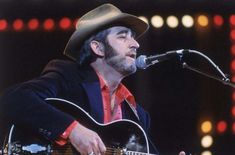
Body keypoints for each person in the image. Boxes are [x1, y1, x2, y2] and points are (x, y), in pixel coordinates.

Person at [0, 3, 185, 155]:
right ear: (98, 48)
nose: (135, 44)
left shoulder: (137, 115)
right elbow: (12, 99)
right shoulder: (67, 76)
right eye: (123, 37)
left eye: (134, 38)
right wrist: (72, 130)